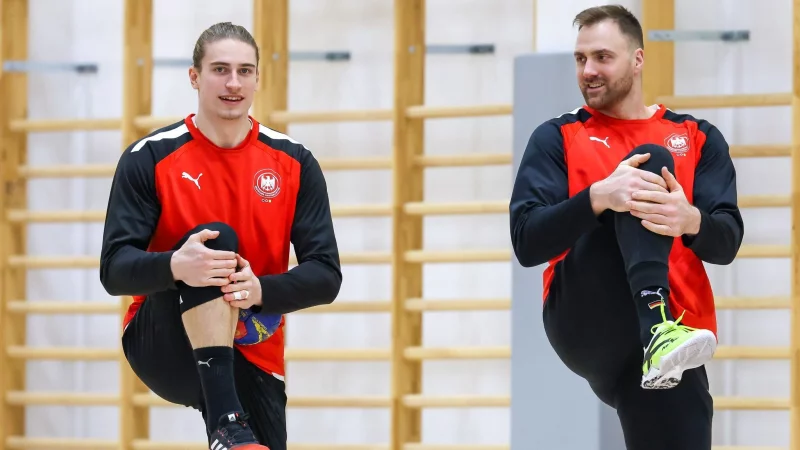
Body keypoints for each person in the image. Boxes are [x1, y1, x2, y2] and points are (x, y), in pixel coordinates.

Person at [99, 22, 342, 450]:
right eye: (220, 69)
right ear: (194, 77)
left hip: (252, 345)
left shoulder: (294, 162)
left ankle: (230, 427)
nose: (234, 83)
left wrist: (259, 289)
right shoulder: (150, 158)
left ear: (258, 78)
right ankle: (225, 423)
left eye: (245, 71)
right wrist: (176, 265)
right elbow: (114, 270)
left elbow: (326, 275)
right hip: (164, 340)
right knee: (216, 242)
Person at [509, 5, 743, 450]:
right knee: (646, 166)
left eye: (602, 57)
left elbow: (727, 240)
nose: (589, 71)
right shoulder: (557, 136)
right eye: (580, 59)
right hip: (586, 311)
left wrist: (688, 220)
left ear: (637, 60)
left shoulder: (697, 136)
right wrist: (599, 197)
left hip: (674, 335)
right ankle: (655, 325)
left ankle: (659, 333)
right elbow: (526, 240)